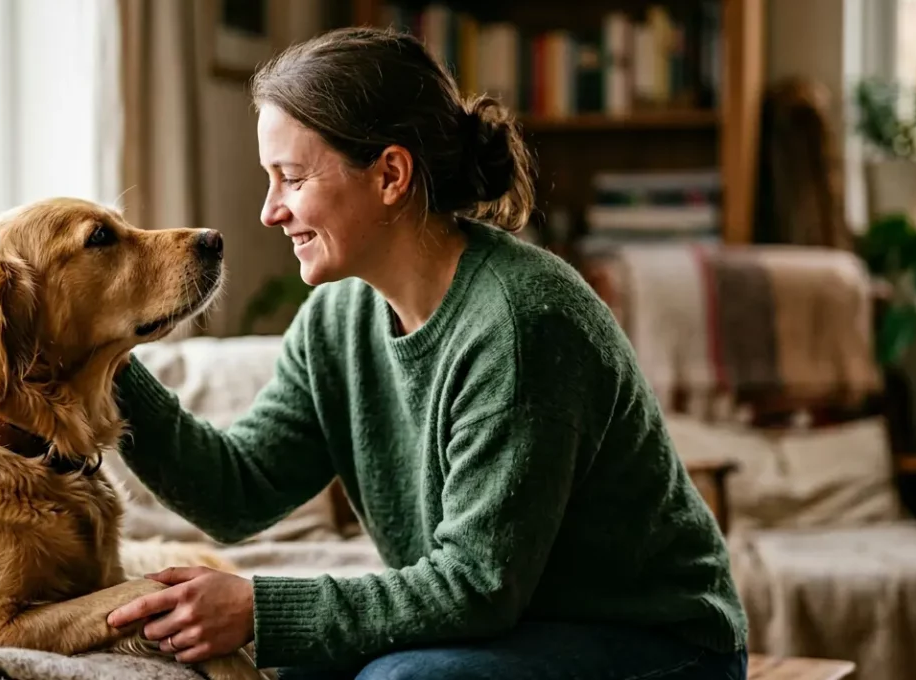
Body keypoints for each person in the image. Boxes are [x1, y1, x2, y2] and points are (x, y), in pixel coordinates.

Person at [106, 26, 748, 680]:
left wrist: (261, 611)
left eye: (291, 179)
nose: (270, 211)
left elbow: (477, 585)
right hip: (509, 630)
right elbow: (234, 494)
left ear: (390, 174)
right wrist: (103, 358)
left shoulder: (524, 323)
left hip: (657, 642)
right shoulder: (338, 318)